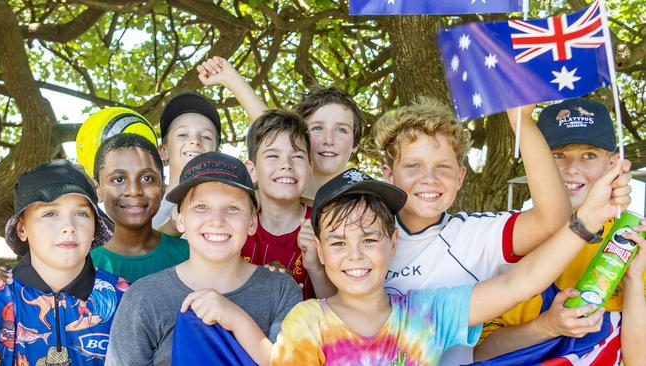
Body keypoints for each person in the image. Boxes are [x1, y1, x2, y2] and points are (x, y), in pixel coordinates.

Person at [187, 164, 631, 365]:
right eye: (338, 242)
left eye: (370, 238)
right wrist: (236, 319)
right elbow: (272, 361)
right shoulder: (309, 322)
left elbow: (522, 282)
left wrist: (588, 218)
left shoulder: (429, 313)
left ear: (393, 243)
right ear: (320, 251)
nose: (356, 255)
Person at [372, 98, 572, 365]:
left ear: (461, 176)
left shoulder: (474, 235)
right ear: (388, 175)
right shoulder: (365, 235)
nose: (429, 178)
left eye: (443, 166)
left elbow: (553, 219)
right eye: (412, 166)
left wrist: (521, 122)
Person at [474, 98, 646, 365]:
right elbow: (479, 355)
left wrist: (634, 283)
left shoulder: (630, 242)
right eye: (557, 155)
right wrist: (548, 326)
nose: (571, 169)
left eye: (589, 155)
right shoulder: (512, 240)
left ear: (613, 163)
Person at [105, 152, 301, 366]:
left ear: (252, 222)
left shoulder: (280, 290)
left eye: (232, 208)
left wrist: (236, 319)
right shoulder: (144, 298)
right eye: (201, 207)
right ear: (180, 220)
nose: (217, 221)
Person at [0, 160, 127, 365]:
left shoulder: (125, 298)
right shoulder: (0, 298)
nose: (69, 227)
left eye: (81, 213)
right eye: (50, 213)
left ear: (95, 226)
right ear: (22, 229)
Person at [197, 57, 364, 202]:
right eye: (317, 128)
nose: (328, 140)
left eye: (341, 130)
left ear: (356, 143)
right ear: (300, 136)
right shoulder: (275, 188)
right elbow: (271, 128)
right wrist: (231, 79)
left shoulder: (367, 197)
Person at [242, 109, 334, 299]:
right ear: (252, 170)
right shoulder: (237, 225)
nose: (286, 165)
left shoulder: (326, 225)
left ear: (309, 168)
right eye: (273, 156)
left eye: (297, 157)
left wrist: (315, 267)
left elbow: (338, 308)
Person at [90, 133, 189, 282]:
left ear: (162, 186)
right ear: (98, 189)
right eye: (119, 179)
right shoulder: (83, 264)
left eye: (147, 178)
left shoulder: (191, 255)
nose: (134, 191)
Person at [154, 91, 222, 232]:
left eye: (206, 137)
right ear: (163, 151)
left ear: (217, 154)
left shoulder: (229, 206)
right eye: (183, 134)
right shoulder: (145, 208)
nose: (195, 141)